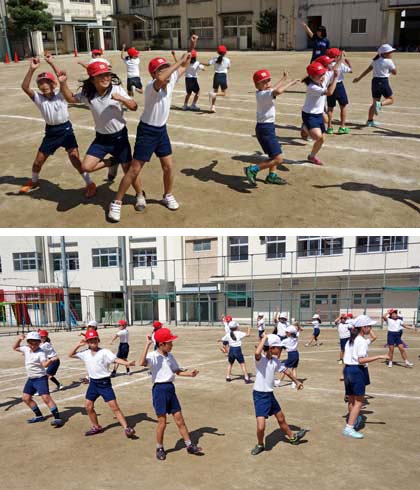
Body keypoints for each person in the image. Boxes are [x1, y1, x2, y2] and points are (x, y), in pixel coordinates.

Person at [107, 35, 198, 222]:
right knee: (134, 170)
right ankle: (116, 202)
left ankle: (167, 195)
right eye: (161, 69)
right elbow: (169, 73)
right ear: (154, 74)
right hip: (147, 131)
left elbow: (185, 64)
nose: (166, 72)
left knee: (168, 166)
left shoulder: (170, 81)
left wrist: (191, 46)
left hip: (161, 131)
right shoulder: (151, 87)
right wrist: (177, 63)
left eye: (166, 68)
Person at [59, 61, 139, 199]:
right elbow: (71, 99)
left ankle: (140, 194)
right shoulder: (89, 94)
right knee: (86, 167)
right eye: (100, 75)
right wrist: (63, 83)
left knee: (128, 170)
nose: (105, 78)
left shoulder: (116, 89)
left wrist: (122, 99)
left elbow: (134, 107)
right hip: (101, 139)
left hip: (120, 137)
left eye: (107, 74)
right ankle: (113, 162)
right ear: (92, 79)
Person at [19, 56, 95, 197]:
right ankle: (34, 181)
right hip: (51, 132)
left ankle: (90, 184)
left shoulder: (61, 94)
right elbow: (25, 87)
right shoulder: (39, 98)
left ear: (53, 84)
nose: (44, 85)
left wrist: (52, 63)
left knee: (75, 159)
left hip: (66, 130)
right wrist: (32, 69)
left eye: (47, 82)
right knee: (38, 162)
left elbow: (61, 78)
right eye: (41, 83)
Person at [138, 328, 203, 460]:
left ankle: (189, 445)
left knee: (180, 419)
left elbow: (177, 371)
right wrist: (147, 344)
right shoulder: (153, 356)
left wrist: (190, 374)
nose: (172, 345)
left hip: (170, 389)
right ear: (161, 344)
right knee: (162, 422)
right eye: (170, 343)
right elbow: (141, 363)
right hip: (159, 390)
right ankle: (159, 447)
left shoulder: (170, 356)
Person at [69, 329, 136, 437]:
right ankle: (96, 427)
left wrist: (127, 363)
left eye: (95, 339)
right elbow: (70, 354)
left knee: (114, 407)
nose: (93, 342)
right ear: (87, 342)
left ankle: (126, 428)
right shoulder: (85, 353)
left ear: (98, 340)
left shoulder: (105, 352)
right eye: (90, 340)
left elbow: (116, 359)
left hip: (104, 384)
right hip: (93, 384)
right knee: (88, 406)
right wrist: (78, 345)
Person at [251, 333, 305, 455]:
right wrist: (264, 338)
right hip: (260, 396)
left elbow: (287, 371)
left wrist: (297, 382)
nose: (281, 350)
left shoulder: (275, 361)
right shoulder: (260, 360)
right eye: (279, 348)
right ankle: (260, 444)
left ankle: (292, 438)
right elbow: (257, 353)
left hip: (270, 394)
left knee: (281, 418)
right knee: (261, 427)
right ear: (271, 348)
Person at [244, 70, 300, 187]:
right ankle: (253, 169)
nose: (267, 83)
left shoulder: (263, 92)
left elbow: (273, 88)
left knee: (273, 155)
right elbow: (278, 91)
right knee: (279, 159)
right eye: (263, 82)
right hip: (265, 129)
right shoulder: (264, 94)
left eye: (268, 80)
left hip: (266, 127)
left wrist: (283, 79)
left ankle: (272, 176)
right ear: (257, 85)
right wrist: (291, 83)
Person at [342, 315, 389, 439]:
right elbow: (361, 360)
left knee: (351, 399)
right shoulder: (361, 341)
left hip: (348, 370)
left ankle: (352, 420)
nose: (371, 328)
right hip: (357, 371)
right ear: (363, 327)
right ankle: (349, 428)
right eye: (369, 326)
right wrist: (379, 356)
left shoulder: (351, 340)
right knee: (359, 402)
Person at [13, 331, 64, 426]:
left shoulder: (41, 352)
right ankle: (39, 416)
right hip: (31, 378)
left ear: (39, 342)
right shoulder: (26, 348)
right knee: (26, 398)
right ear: (28, 342)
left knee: (46, 398)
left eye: (36, 343)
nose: (33, 345)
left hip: (40, 378)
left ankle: (57, 418)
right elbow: (15, 347)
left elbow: (44, 364)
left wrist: (51, 360)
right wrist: (19, 339)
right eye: (31, 343)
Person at [301, 61, 338, 165]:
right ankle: (305, 127)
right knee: (317, 137)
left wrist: (340, 58)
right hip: (309, 114)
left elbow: (334, 69)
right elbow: (330, 92)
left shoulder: (321, 80)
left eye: (323, 74)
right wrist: (335, 78)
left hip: (319, 112)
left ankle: (311, 156)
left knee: (322, 139)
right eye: (320, 75)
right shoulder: (312, 87)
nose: (323, 77)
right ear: (312, 77)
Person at [353, 44, 397, 127]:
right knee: (391, 100)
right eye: (390, 52)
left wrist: (359, 78)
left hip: (375, 82)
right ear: (384, 54)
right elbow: (395, 72)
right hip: (383, 81)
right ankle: (379, 105)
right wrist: (389, 70)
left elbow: (368, 69)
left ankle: (370, 121)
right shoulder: (389, 61)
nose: (391, 54)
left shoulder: (375, 60)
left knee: (374, 103)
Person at [325, 48, 352, 134]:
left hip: (330, 86)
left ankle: (329, 127)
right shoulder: (341, 65)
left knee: (330, 108)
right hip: (339, 86)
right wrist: (349, 63)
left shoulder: (327, 66)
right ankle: (342, 127)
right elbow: (350, 70)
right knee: (343, 106)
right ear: (336, 57)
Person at [204, 45, 231, 113]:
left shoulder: (215, 59)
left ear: (217, 52)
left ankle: (213, 106)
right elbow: (228, 67)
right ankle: (214, 95)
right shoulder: (227, 60)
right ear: (225, 52)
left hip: (216, 76)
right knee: (223, 93)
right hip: (223, 76)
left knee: (215, 91)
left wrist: (200, 62)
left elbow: (208, 64)